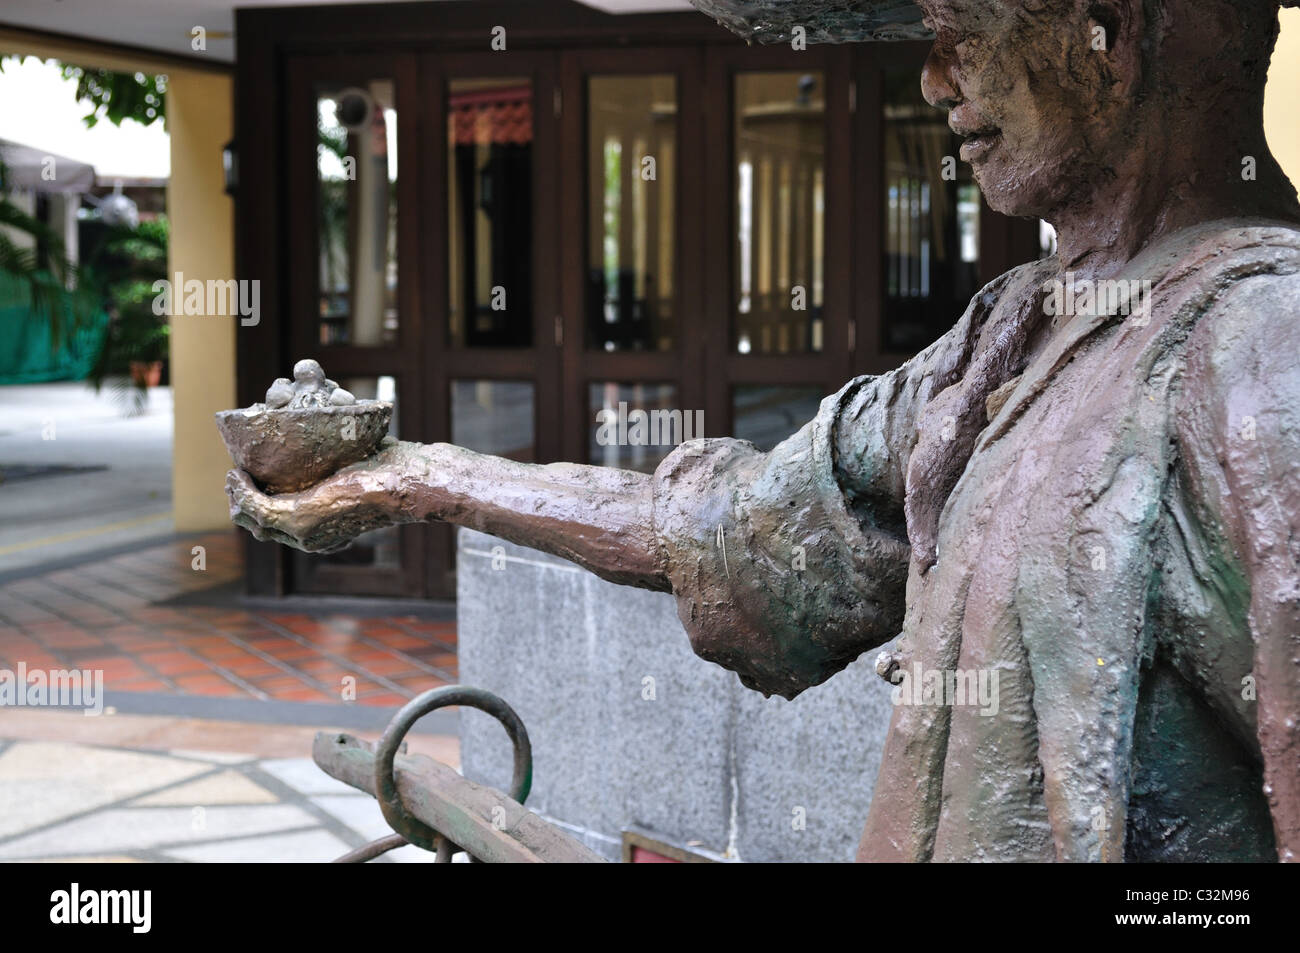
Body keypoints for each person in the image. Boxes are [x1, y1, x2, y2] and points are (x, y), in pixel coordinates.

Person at [228, 0, 1300, 861]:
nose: (933, 79)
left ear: (1103, 35)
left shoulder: (1263, 345)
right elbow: (736, 530)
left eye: (959, 33)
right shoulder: (1017, 326)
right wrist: (410, 471)